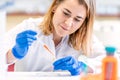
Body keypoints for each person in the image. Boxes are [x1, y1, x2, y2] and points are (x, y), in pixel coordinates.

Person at [0, 0, 105, 75]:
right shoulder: (29, 26)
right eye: (65, 13)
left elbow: (112, 60)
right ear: (55, 7)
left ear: (84, 22)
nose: (68, 23)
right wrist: (14, 53)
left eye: (77, 19)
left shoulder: (83, 36)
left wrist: (83, 67)